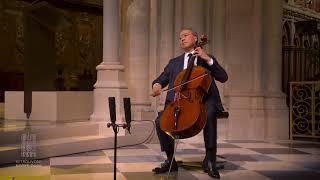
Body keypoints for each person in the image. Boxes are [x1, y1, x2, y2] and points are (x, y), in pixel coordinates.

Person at [151, 28, 228, 179]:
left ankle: (210, 160)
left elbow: (223, 77)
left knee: (210, 113)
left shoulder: (206, 58)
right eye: (180, 38)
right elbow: (160, 79)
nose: (182, 39)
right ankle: (170, 159)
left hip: (204, 100)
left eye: (185, 36)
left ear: (195, 38)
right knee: (160, 121)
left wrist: (207, 59)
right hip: (179, 101)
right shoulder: (174, 63)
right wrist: (157, 85)